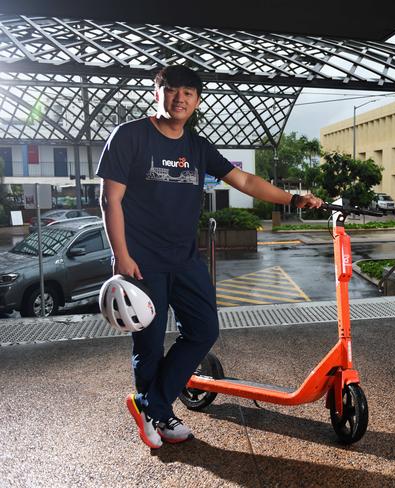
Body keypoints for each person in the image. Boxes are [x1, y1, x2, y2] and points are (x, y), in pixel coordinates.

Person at [97, 65, 322, 449]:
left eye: (188, 92)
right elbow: (109, 199)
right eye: (171, 90)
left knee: (203, 330)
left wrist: (292, 198)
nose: (180, 97)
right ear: (158, 93)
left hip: (185, 259)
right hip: (141, 262)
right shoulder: (130, 136)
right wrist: (121, 256)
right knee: (149, 345)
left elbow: (246, 181)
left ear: (197, 100)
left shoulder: (197, 147)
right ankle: (161, 414)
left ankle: (150, 404)